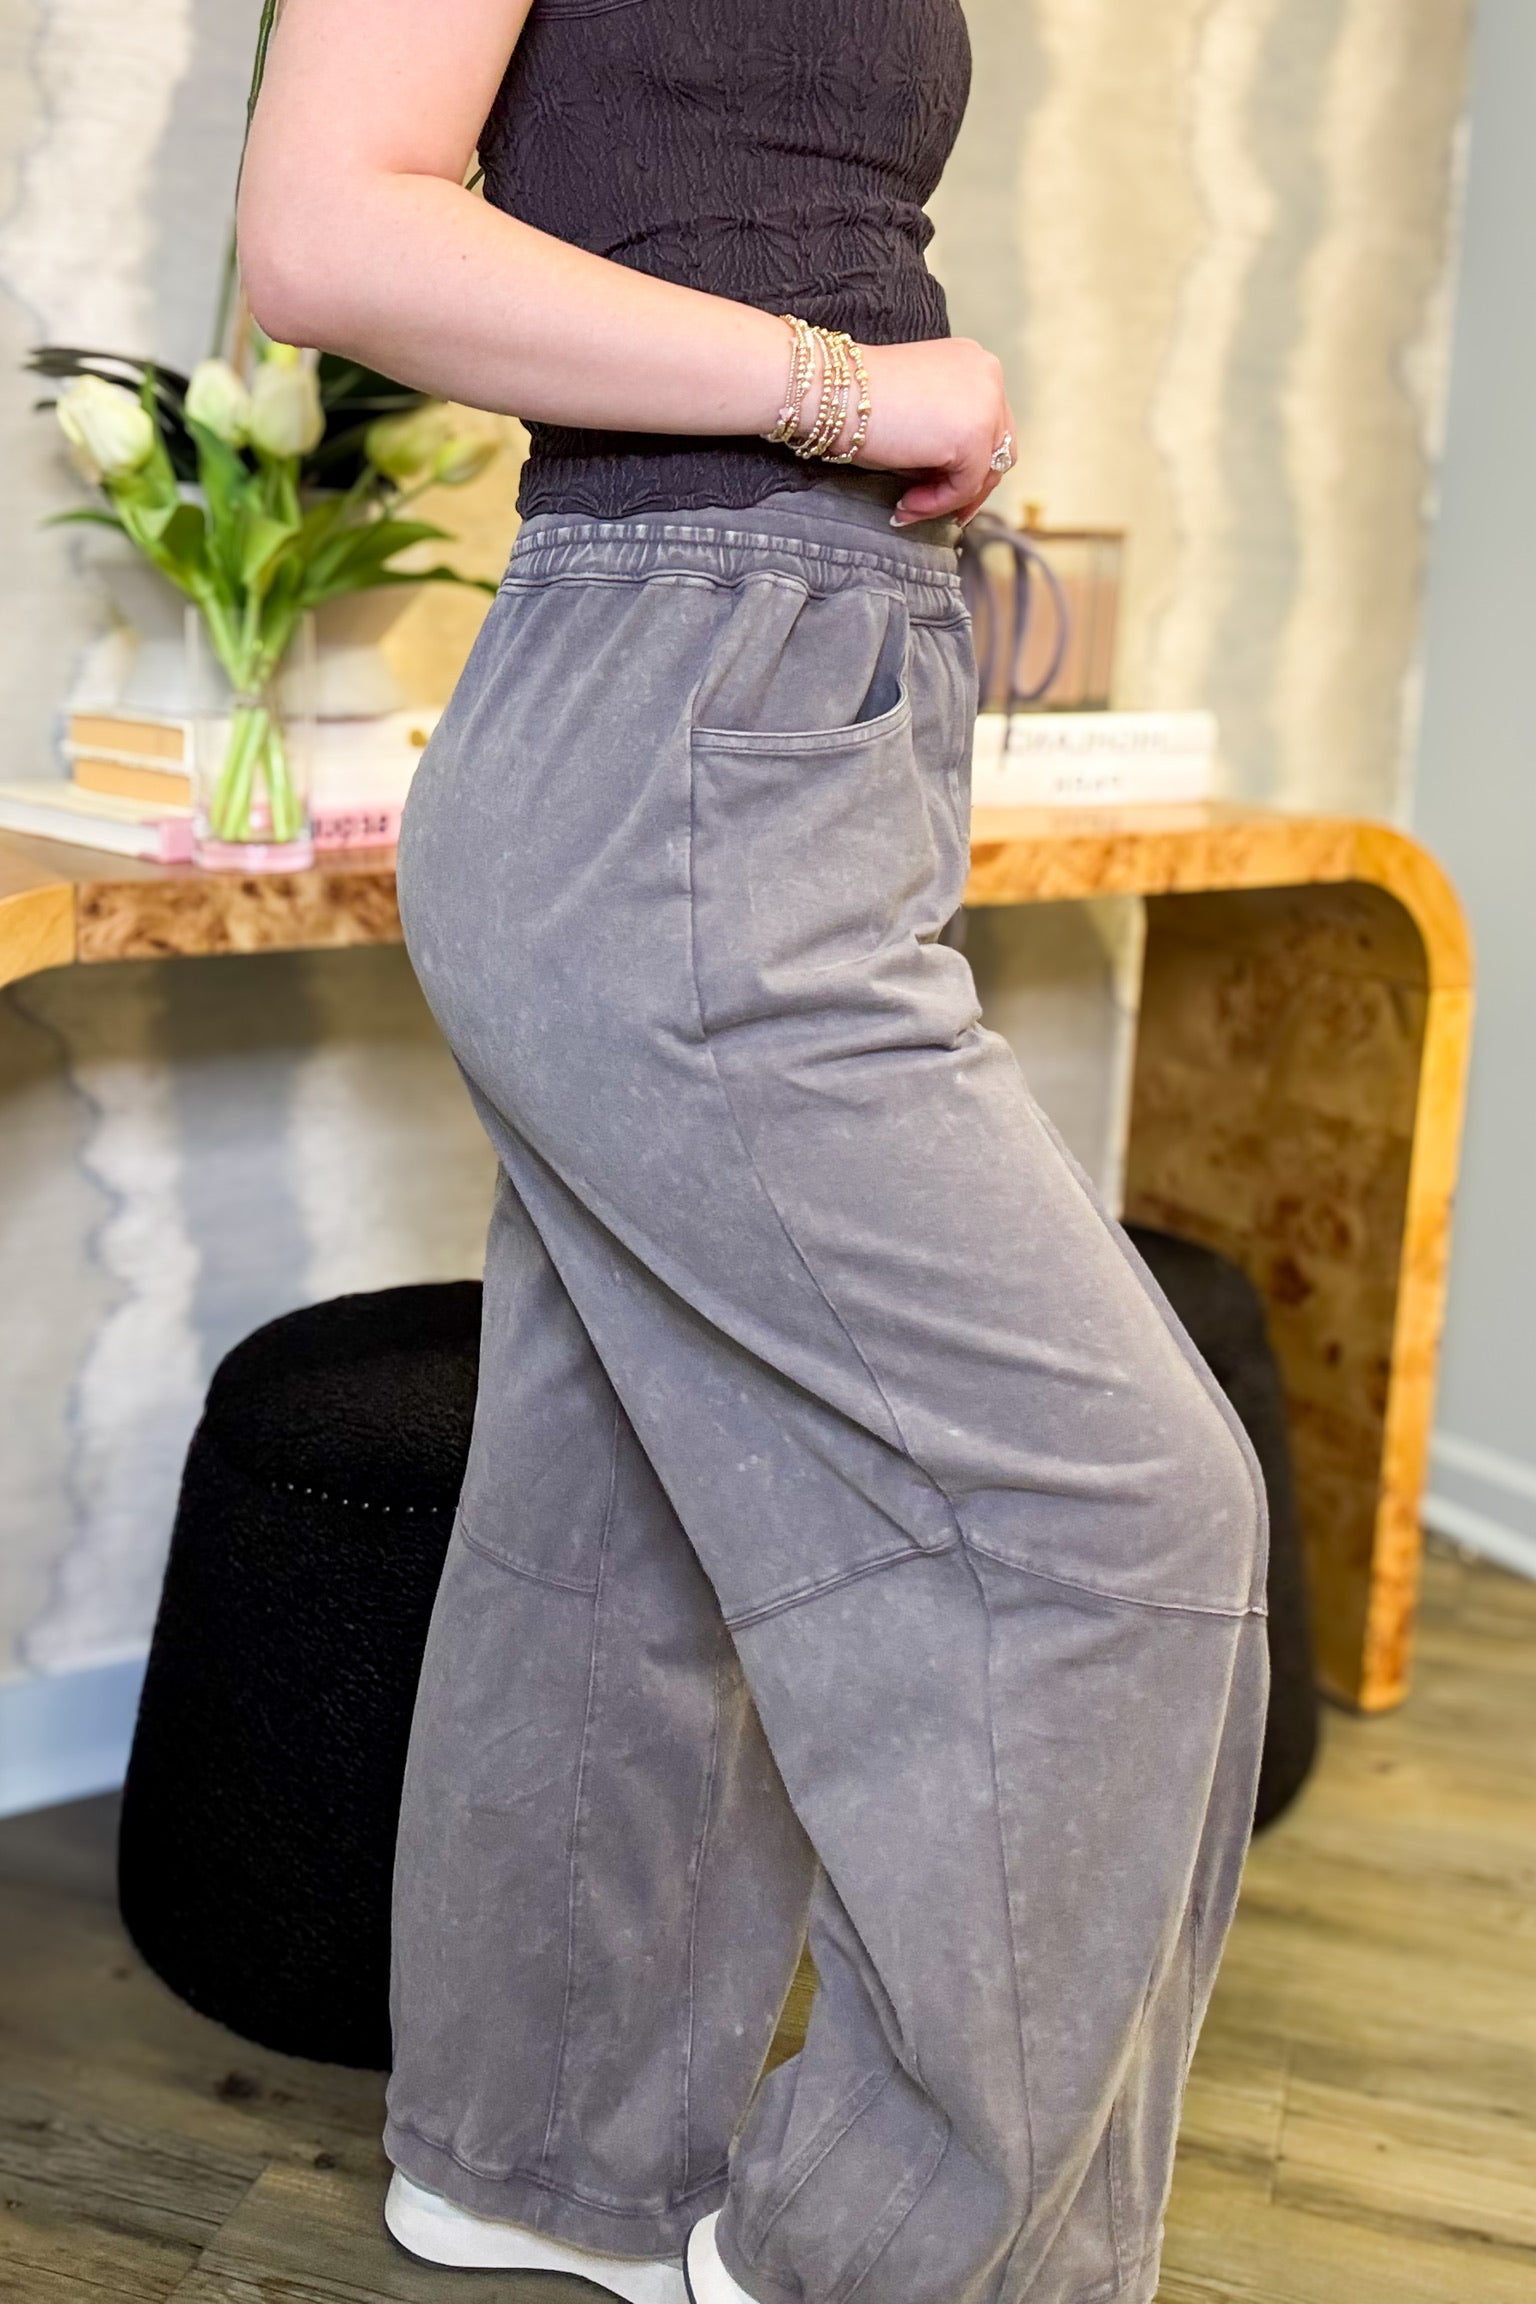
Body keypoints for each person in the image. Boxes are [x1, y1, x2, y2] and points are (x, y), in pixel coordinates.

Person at [238, 6, 1268, 2301]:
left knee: (631, 1493)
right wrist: (851, 387)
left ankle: (539, 2152)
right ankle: (873, 2262)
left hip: (779, 697)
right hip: (682, 710)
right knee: (1118, 1513)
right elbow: (323, 228)